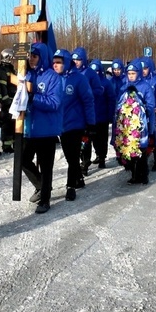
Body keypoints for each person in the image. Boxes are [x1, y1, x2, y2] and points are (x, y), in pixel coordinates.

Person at [21, 43, 63, 213]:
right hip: (29, 128)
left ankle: (45, 200)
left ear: (42, 57)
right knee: (23, 160)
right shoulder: (27, 75)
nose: (31, 59)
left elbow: (55, 102)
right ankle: (41, 186)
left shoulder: (53, 77)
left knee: (46, 166)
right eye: (29, 56)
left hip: (46, 130)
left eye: (35, 56)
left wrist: (33, 98)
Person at [56, 49, 94, 200]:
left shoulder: (79, 79)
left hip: (75, 124)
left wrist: (91, 123)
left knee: (72, 157)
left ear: (66, 63)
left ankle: (70, 186)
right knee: (69, 156)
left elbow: (88, 101)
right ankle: (79, 178)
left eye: (58, 63)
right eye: (54, 62)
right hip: (60, 125)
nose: (55, 65)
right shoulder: (54, 78)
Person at [113, 62, 155, 184]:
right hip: (126, 126)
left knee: (140, 150)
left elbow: (151, 105)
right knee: (128, 150)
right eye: (129, 74)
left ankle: (143, 174)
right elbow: (119, 104)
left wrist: (141, 109)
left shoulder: (145, 87)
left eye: (133, 73)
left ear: (139, 74)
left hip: (140, 125)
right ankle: (134, 173)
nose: (131, 76)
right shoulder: (123, 87)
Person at [70, 47, 104, 175]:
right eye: (73, 59)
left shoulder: (90, 73)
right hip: (73, 112)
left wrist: (86, 92)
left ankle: (85, 163)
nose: (76, 62)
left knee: (85, 138)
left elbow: (99, 89)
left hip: (86, 110)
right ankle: (78, 161)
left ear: (83, 60)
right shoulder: (70, 72)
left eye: (78, 60)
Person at [88, 59, 115, 169]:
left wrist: (110, 114)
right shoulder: (87, 82)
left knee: (102, 139)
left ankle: (102, 157)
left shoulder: (106, 83)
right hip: (91, 116)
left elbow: (111, 99)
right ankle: (98, 154)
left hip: (102, 116)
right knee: (93, 138)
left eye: (97, 71)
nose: (95, 74)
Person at [0, 48, 17, 153]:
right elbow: (2, 88)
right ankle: (6, 146)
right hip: (7, 102)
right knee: (7, 124)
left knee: (13, 124)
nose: (13, 61)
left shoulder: (11, 70)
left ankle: (13, 143)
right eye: (12, 58)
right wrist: (6, 101)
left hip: (13, 101)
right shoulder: (2, 71)